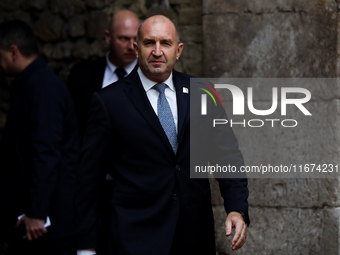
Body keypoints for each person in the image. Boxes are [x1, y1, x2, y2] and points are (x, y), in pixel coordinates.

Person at [75, 15, 249, 255]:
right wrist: (86, 246)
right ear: (137, 49)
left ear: (178, 51)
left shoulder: (203, 92)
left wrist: (237, 208)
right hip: (135, 237)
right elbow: (88, 180)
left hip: (193, 236)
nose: (157, 51)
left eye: (165, 43)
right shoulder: (109, 102)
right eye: (149, 43)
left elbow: (227, 155)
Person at [0, 20, 79, 255]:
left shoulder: (43, 87)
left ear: (13, 51)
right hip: (34, 221)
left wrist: (37, 213)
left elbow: (46, 152)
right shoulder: (30, 85)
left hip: (47, 227)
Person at [67, 9, 140, 141]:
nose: (131, 46)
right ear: (108, 37)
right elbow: (71, 126)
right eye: (124, 38)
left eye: (136, 39)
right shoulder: (81, 76)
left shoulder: (152, 76)